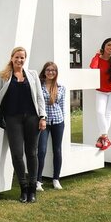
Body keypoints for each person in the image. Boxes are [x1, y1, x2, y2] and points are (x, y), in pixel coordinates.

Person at [0, 46, 46, 203]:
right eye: (17, 57)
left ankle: (32, 189)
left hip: (32, 119)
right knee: (16, 154)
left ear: (25, 59)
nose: (20, 60)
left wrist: (43, 117)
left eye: (22, 57)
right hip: (13, 119)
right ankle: (23, 188)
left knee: (32, 153)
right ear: (12, 58)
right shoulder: (4, 76)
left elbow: (40, 98)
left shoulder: (32, 75)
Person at [36, 61, 67, 190]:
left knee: (57, 150)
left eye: (53, 70)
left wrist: (63, 120)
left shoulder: (61, 87)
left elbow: (62, 105)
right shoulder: (39, 86)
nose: (50, 72)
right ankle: (38, 180)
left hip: (58, 121)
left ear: (56, 73)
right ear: (44, 71)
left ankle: (56, 179)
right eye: (48, 70)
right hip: (44, 122)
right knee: (41, 150)